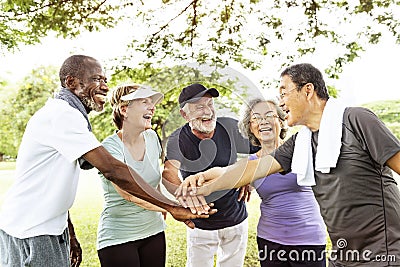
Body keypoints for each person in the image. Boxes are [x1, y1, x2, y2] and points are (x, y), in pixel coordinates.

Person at [0, 55, 213, 267]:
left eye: (105, 80)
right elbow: (113, 170)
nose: (104, 86)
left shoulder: (70, 116)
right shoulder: (62, 114)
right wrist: (171, 207)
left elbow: (52, 183)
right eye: (96, 79)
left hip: (50, 227)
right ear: (71, 82)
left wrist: (68, 233)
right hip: (31, 230)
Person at [178, 63, 400, 267]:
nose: (281, 101)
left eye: (284, 93)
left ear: (308, 90)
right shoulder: (301, 143)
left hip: (384, 253)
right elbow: (253, 168)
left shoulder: (356, 120)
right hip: (344, 255)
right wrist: (205, 186)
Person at [162, 83, 259, 267]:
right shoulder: (178, 139)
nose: (207, 111)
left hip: (235, 220)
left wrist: (247, 175)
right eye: (199, 107)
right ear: (185, 115)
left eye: (210, 104)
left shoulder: (229, 126)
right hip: (201, 224)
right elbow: (169, 172)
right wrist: (184, 198)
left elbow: (266, 148)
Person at [238, 97, 326, 266]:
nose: (263, 122)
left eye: (269, 115)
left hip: (308, 239)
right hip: (269, 241)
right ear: (250, 127)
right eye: (255, 118)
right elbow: (226, 178)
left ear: (281, 120)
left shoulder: (303, 150)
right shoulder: (250, 164)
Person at [96, 83, 167, 267]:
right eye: (144, 102)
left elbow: (155, 182)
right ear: (124, 110)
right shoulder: (109, 148)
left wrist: (164, 204)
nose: (152, 107)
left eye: (152, 102)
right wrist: (170, 207)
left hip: (154, 231)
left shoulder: (152, 138)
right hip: (119, 237)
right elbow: (128, 193)